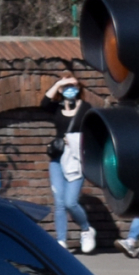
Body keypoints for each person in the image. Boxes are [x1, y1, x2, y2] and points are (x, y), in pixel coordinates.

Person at [42, 76, 97, 253]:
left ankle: (86, 230)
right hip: (58, 158)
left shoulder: (85, 108)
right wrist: (58, 83)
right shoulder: (57, 108)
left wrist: (74, 140)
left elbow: (92, 130)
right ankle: (61, 241)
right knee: (59, 202)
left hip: (75, 158)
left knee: (70, 202)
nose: (70, 89)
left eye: (74, 86)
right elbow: (44, 103)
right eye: (67, 86)